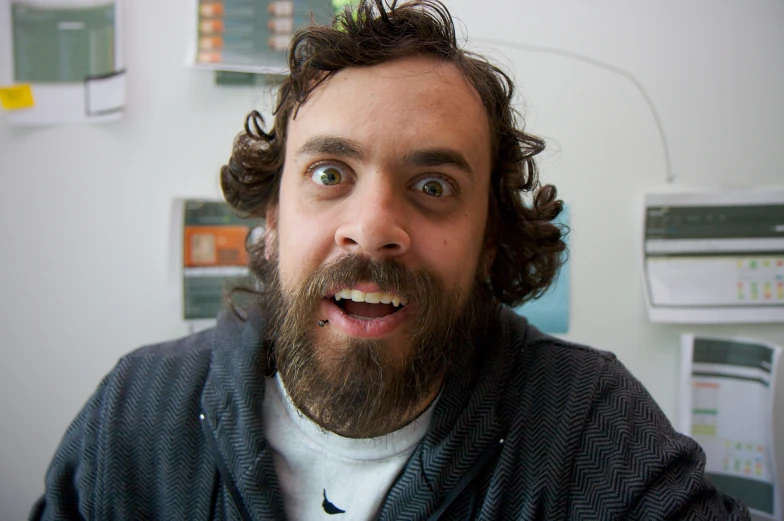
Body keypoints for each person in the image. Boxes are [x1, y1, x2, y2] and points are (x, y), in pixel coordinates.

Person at [31, 1, 751, 519]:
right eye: (329, 174)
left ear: (490, 239)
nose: (373, 230)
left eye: (433, 186)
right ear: (272, 218)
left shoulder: (587, 427)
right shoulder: (136, 412)